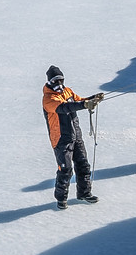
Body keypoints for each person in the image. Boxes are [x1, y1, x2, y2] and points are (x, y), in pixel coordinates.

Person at [42, 66, 103, 209]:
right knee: (66, 169)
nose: (59, 83)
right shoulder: (49, 99)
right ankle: (61, 199)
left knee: (83, 165)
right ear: (49, 82)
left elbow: (78, 101)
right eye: (55, 81)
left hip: (76, 135)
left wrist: (92, 99)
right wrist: (84, 104)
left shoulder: (67, 91)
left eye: (60, 80)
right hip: (61, 139)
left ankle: (84, 193)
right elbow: (64, 108)